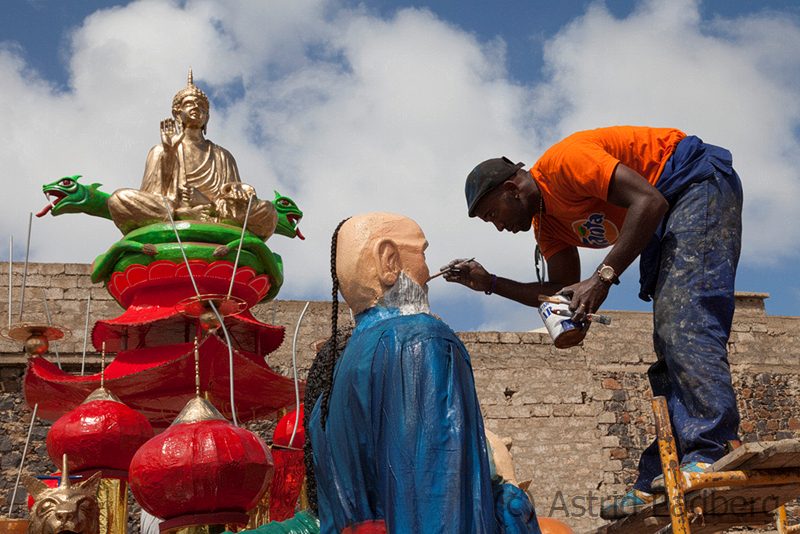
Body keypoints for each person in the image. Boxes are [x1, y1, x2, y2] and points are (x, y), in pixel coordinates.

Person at [444, 126, 743, 518]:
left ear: (513, 188)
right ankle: (663, 468)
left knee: (685, 323)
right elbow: (560, 289)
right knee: (669, 340)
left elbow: (648, 201)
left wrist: (602, 278)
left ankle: (712, 449)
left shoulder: (565, 163)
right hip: (662, 216)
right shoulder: (546, 225)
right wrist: (490, 283)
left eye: (492, 215)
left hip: (693, 183)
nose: (498, 226)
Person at [308, 212, 540, 533]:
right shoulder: (421, 338)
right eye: (423, 253)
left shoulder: (328, 388)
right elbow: (437, 495)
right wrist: (511, 496)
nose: (428, 271)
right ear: (389, 260)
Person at [107, 69, 276, 238]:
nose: (196, 107)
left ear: (207, 117)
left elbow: (231, 198)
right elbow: (153, 195)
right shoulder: (160, 150)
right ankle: (181, 216)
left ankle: (213, 222)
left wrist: (206, 199)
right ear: (177, 113)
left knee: (267, 210)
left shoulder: (222, 155)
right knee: (119, 199)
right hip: (175, 211)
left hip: (216, 214)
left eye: (202, 106)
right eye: (189, 103)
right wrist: (169, 153)